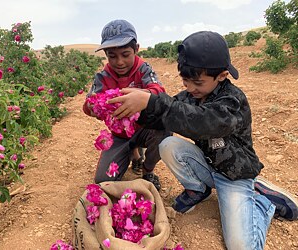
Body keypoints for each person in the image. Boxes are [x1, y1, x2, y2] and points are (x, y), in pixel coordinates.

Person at [108, 31, 298, 249]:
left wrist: (153, 101)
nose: (189, 88)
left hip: (235, 176)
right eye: (185, 81)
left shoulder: (233, 101)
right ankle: (197, 189)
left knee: (240, 246)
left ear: (222, 76)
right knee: (168, 144)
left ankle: (262, 201)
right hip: (208, 166)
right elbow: (166, 115)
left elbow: (203, 122)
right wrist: (136, 109)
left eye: (197, 82)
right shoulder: (192, 95)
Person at [83, 19, 170, 191]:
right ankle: (132, 153)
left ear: (136, 49)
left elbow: (159, 91)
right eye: (112, 56)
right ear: (106, 54)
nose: (119, 62)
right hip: (119, 136)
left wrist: (143, 96)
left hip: (145, 128)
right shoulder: (102, 77)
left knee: (165, 130)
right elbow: (88, 104)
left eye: (125, 54)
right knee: (103, 182)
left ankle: (147, 170)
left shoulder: (143, 69)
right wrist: (93, 107)